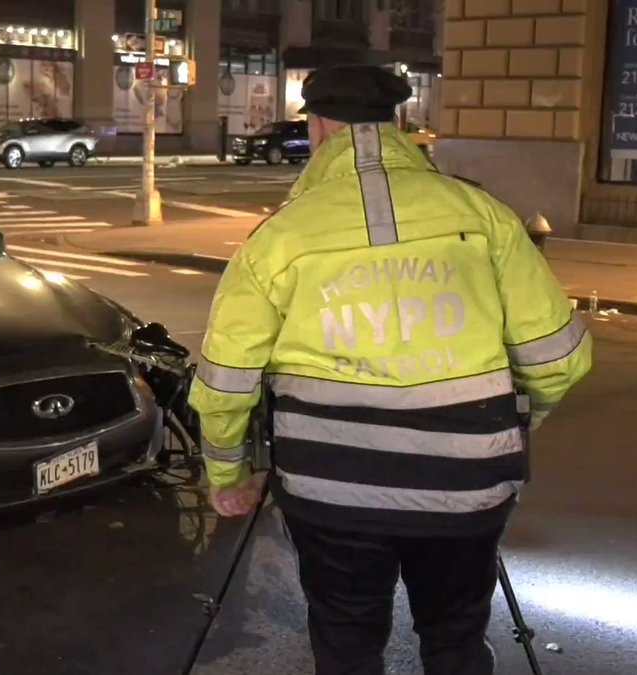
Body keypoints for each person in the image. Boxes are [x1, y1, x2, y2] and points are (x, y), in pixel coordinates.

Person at [188, 64, 592, 675]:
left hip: (332, 487)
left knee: (346, 638)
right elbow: (560, 358)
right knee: (456, 635)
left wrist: (227, 473)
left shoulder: (279, 237)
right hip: (467, 484)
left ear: (318, 127)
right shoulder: (481, 214)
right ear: (399, 122)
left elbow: (226, 380)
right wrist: (511, 423)